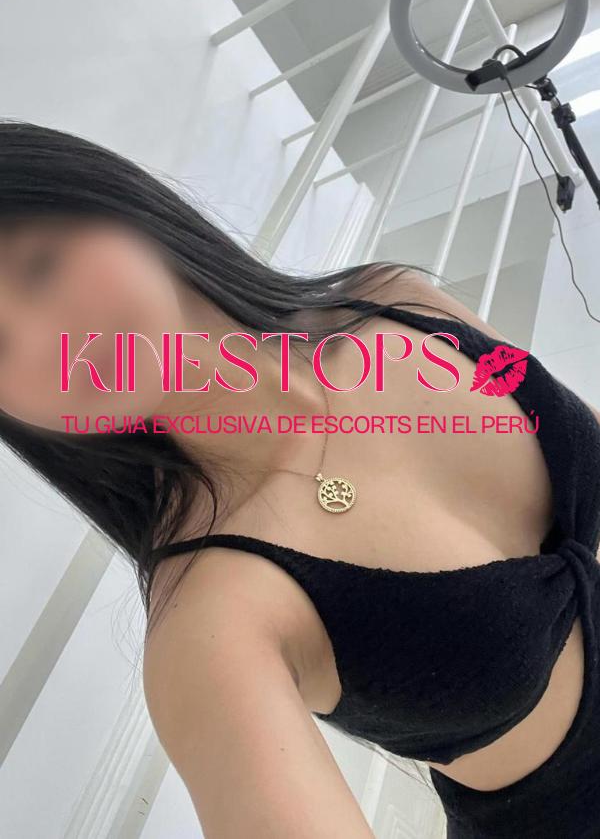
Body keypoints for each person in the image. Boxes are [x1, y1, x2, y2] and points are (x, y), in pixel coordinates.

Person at [2, 119, 600, 838]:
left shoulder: (396, 300)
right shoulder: (210, 622)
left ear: (115, 204)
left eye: (38, 267)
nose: (45, 345)